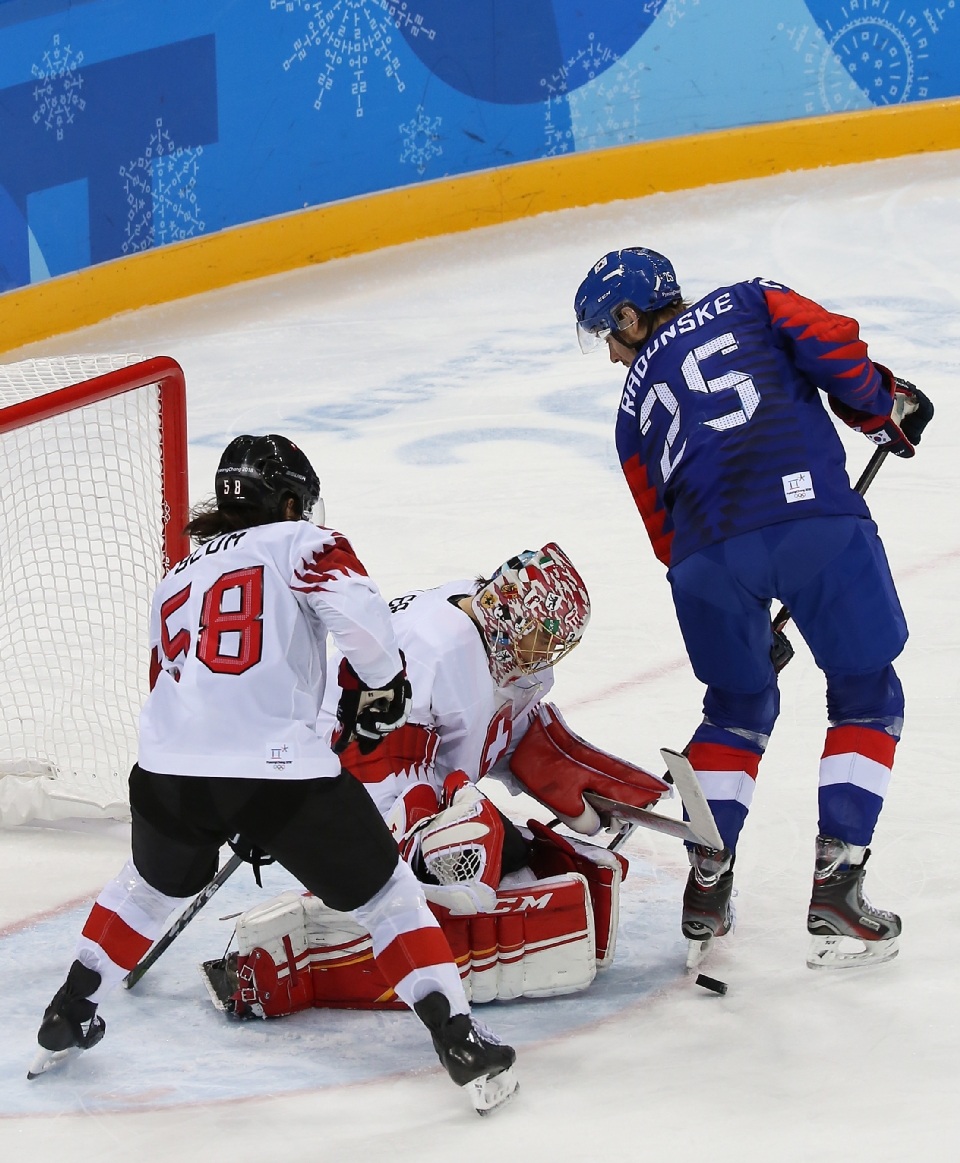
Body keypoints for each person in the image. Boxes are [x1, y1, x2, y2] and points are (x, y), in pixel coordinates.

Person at [29, 434, 517, 1115]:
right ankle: (459, 1038)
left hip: (168, 769)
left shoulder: (176, 574)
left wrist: (227, 804)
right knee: (386, 899)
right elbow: (367, 629)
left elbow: (169, 686)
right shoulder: (300, 543)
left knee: (145, 883)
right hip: (277, 771)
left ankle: (70, 1008)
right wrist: (383, 687)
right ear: (288, 501)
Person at [573, 248, 934, 970]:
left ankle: (707, 879)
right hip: (814, 523)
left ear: (630, 315)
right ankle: (837, 885)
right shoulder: (751, 299)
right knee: (867, 692)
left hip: (704, 563)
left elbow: (663, 534)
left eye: (607, 335)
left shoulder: (628, 410)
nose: (611, 355)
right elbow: (834, 347)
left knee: (735, 707)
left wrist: (735, 611)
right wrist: (880, 404)